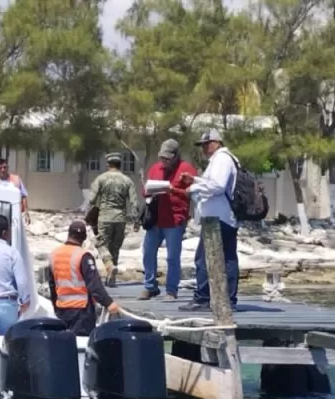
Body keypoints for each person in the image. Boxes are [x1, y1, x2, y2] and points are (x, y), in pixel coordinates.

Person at [178, 129, 239, 311]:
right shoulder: (225, 159)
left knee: (203, 258)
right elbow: (214, 184)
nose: (204, 148)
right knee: (228, 258)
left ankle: (203, 298)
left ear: (216, 142)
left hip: (218, 218)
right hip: (224, 217)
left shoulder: (221, 159)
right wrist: (195, 180)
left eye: (206, 144)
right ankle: (228, 299)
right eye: (202, 145)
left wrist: (194, 188)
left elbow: (217, 186)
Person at [139, 139, 196, 300]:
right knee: (148, 252)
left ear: (176, 156)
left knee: (172, 256)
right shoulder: (155, 168)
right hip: (155, 218)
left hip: (175, 220)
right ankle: (150, 286)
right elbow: (145, 191)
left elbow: (192, 193)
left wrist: (173, 190)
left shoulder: (186, 169)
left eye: (168, 158)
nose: (164, 161)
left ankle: (171, 290)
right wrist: (149, 191)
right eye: (162, 157)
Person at [46, 220, 121, 336]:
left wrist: (56, 307)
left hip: (62, 310)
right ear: (84, 238)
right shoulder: (83, 256)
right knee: (81, 345)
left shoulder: (53, 255)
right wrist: (109, 303)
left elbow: (52, 285)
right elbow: (94, 285)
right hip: (81, 312)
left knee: (66, 344)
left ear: (69, 234)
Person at [88, 152, 141, 287]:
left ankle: (110, 266)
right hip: (121, 219)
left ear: (108, 164)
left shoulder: (101, 179)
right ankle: (111, 279)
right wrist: (136, 220)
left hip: (105, 217)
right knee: (115, 248)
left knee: (100, 243)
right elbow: (134, 202)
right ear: (119, 164)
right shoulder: (127, 181)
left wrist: (89, 215)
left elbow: (92, 199)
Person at [0, 157, 30, 223]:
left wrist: (26, 212)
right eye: (0, 168)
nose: (3, 170)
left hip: (14, 214)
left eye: (5, 167)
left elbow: (23, 196)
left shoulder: (16, 179)